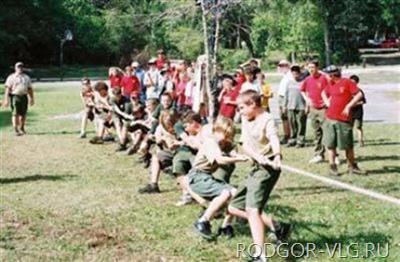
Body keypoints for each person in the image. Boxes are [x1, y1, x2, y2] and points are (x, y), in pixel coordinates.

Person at [228, 90, 291, 261]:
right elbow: (245, 144)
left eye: (242, 107)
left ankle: (260, 255)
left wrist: (277, 155)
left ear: (253, 105)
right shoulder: (246, 118)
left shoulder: (267, 119)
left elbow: (274, 138)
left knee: (252, 210)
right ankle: (277, 227)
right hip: (257, 165)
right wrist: (257, 157)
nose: (239, 111)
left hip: (268, 168)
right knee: (234, 207)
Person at [190, 116, 249, 239]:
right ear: (219, 131)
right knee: (226, 193)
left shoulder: (222, 143)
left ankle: (225, 226)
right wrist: (239, 159)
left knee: (234, 193)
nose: (228, 138)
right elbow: (220, 160)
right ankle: (203, 221)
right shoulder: (211, 142)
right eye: (227, 134)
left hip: (206, 176)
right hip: (197, 177)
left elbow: (232, 152)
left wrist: (248, 156)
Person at [322, 65, 367, 176]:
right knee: (330, 144)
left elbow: (359, 94)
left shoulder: (346, 82)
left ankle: (352, 166)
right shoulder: (330, 84)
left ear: (332, 75)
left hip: (343, 120)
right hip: (330, 118)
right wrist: (327, 102)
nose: (326, 77)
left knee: (347, 146)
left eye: (327, 75)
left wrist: (348, 106)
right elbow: (323, 92)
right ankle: (333, 167)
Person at [300, 60, 329, 163]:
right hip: (313, 109)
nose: (311, 69)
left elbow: (332, 89)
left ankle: (334, 155)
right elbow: (302, 90)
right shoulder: (307, 79)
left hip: (324, 109)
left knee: (328, 132)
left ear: (317, 67)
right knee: (317, 132)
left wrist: (328, 102)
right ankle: (319, 154)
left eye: (313, 67)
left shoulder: (324, 78)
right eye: (309, 67)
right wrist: (307, 100)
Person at [3, 62, 34, 136]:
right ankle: (16, 130)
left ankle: (22, 128)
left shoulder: (26, 77)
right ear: (15, 68)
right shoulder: (11, 77)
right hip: (15, 97)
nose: (20, 68)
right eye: (18, 67)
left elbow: (30, 89)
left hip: (24, 97)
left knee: (23, 114)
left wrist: (32, 98)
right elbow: (7, 89)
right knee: (15, 113)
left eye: (21, 67)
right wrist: (6, 100)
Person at [284, 65, 307, 147]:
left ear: (299, 73)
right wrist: (284, 106)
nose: (295, 75)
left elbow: (307, 95)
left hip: (301, 106)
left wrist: (306, 106)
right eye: (293, 73)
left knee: (301, 124)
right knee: (292, 123)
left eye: (296, 73)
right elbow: (286, 95)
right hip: (291, 106)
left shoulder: (303, 82)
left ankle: (300, 140)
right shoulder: (289, 83)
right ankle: (293, 139)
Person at [277, 60, 291, 144]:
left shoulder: (290, 75)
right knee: (283, 117)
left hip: (285, 98)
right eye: (280, 65)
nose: (282, 67)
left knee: (286, 117)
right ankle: (286, 134)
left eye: (284, 65)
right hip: (281, 97)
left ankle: (288, 135)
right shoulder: (284, 75)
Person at [349, 75, 366, 147]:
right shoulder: (347, 90)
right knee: (349, 127)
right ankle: (349, 141)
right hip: (350, 112)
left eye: (353, 82)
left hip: (358, 111)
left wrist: (355, 103)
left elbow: (363, 101)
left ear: (357, 83)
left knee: (358, 127)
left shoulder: (359, 91)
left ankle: (360, 141)